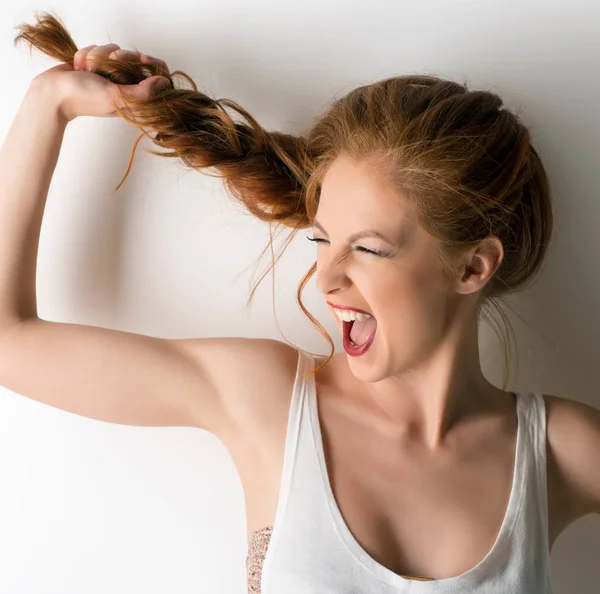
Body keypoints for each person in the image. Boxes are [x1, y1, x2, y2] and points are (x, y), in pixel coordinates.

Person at [1, 13, 600, 594]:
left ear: (471, 267)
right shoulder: (265, 400)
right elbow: (8, 341)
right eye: (321, 241)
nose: (326, 280)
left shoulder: (562, 451)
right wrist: (46, 105)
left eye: (367, 249)